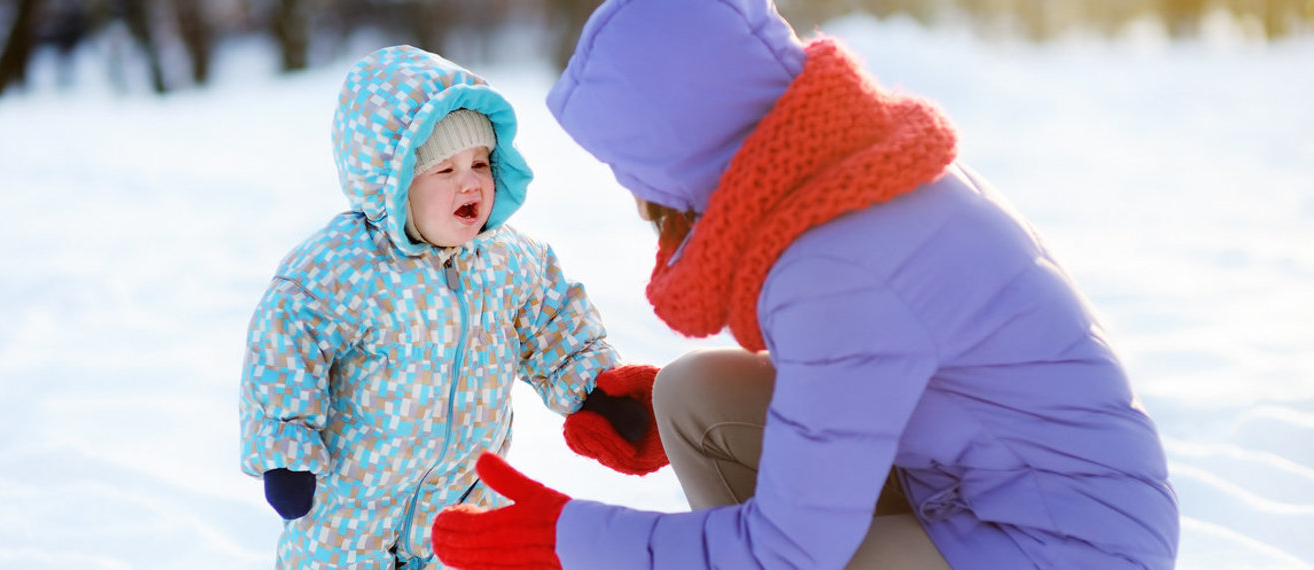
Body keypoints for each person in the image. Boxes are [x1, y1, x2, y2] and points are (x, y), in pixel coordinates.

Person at [429, 1, 1181, 569]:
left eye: (628, 165)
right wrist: (659, 421)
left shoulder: (834, 267)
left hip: (1066, 546)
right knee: (691, 398)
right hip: (990, 491)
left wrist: (574, 541)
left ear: (673, 150)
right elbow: (872, 373)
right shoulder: (846, 176)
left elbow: (789, 550)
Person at [238, 45, 667, 569]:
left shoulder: (511, 262)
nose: (470, 182)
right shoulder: (340, 269)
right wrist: (288, 455)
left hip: (461, 509)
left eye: (481, 163)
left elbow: (558, 328)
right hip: (345, 522)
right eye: (444, 170)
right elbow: (284, 349)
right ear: (392, 185)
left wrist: (595, 392)